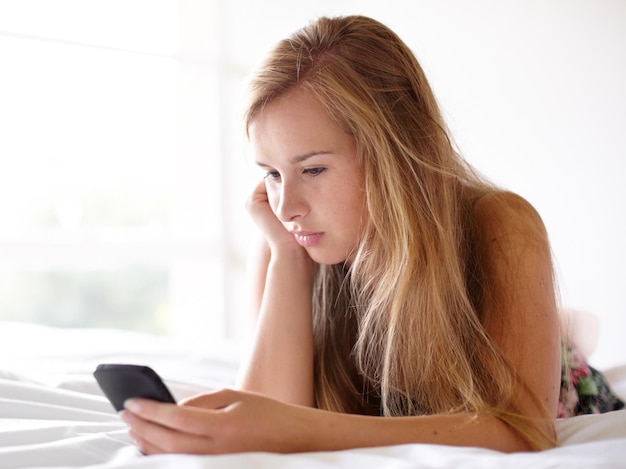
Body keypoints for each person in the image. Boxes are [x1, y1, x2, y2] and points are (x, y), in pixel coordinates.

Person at [120, 14, 563, 454]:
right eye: (271, 174)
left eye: (312, 169)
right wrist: (288, 258)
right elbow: (267, 423)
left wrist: (302, 430)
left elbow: (523, 430)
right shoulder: (290, 238)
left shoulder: (500, 224)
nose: (286, 207)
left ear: (395, 154)